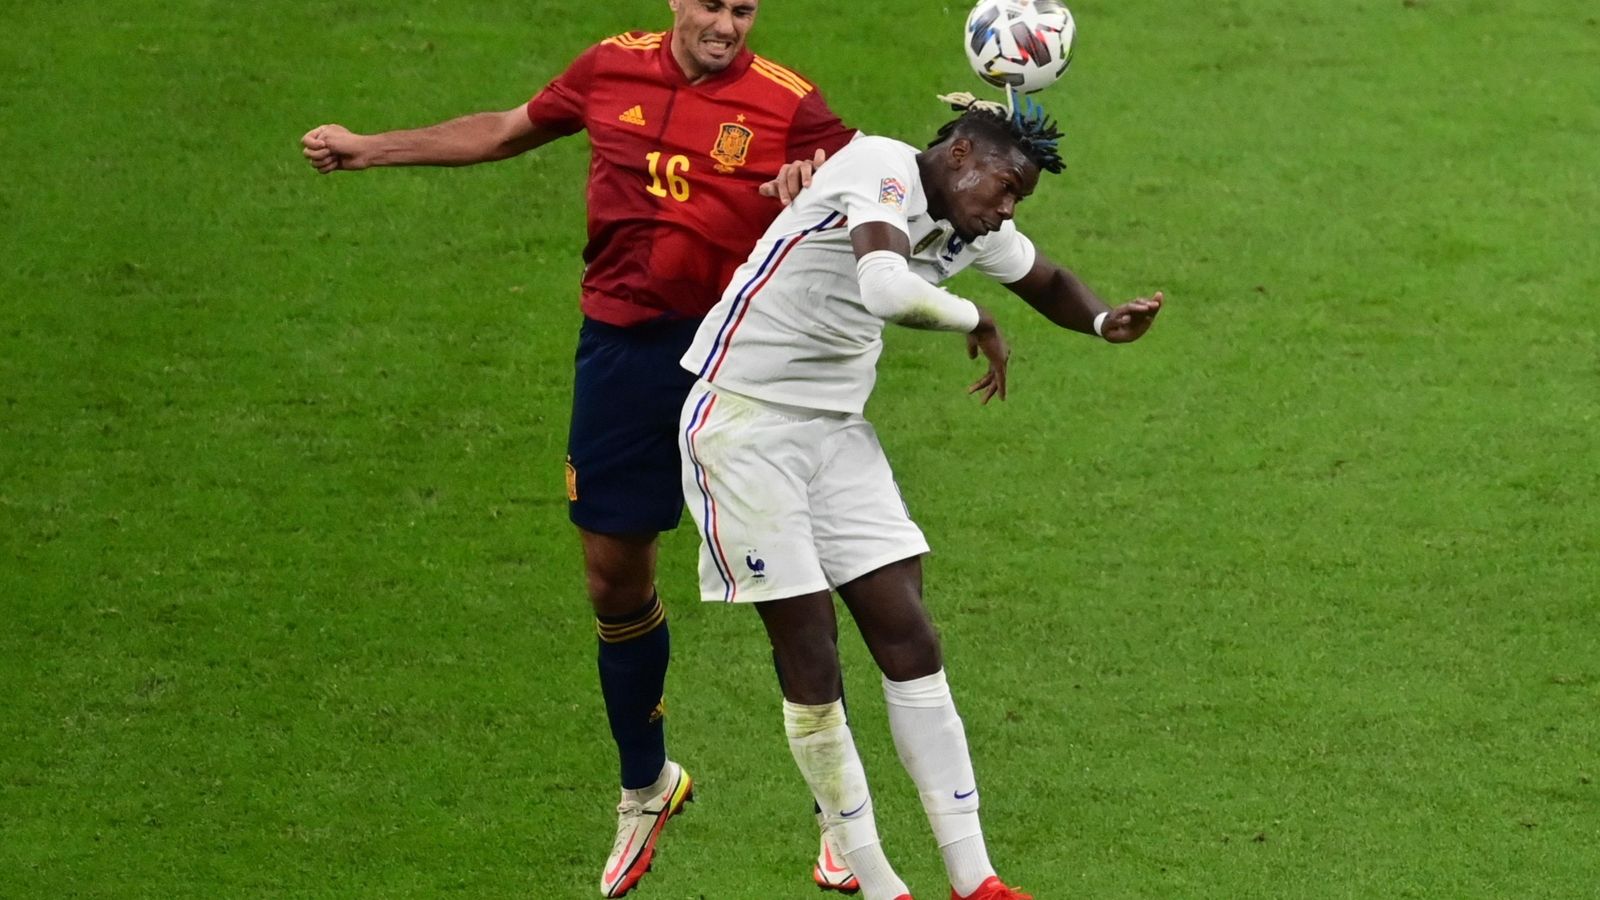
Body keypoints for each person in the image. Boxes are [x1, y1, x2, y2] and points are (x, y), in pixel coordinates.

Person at [299, 2, 863, 896]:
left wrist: (828, 184)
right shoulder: (610, 67)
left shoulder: (790, 104)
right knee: (613, 576)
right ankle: (647, 786)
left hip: (734, 358)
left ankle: (844, 818)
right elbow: (506, 130)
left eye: (745, 8)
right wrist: (370, 146)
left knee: (780, 583)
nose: (727, 24)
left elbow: (885, 192)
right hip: (622, 354)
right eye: (713, 5)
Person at [676, 95, 1163, 900]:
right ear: (962, 156)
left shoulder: (976, 222)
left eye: (1020, 201)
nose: (1006, 211)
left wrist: (1105, 319)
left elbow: (1043, 278)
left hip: (835, 431)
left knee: (911, 636)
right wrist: (976, 316)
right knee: (813, 653)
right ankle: (872, 878)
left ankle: (976, 881)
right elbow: (884, 286)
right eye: (1004, 189)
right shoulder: (878, 167)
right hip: (743, 425)